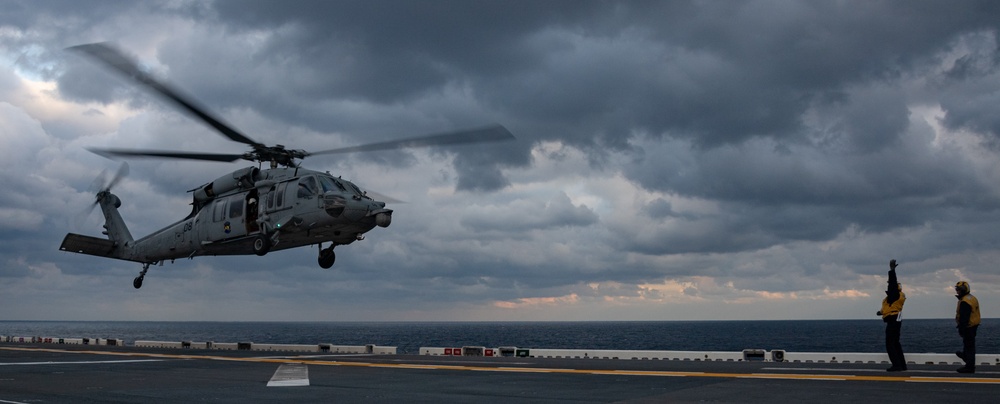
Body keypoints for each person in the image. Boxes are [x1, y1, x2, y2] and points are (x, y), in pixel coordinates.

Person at [876, 259, 906, 371]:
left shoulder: (894, 293)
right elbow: (891, 307)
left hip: (893, 320)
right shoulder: (895, 297)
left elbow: (893, 283)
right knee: (895, 343)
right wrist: (881, 312)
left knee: (890, 343)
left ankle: (897, 365)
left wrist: (892, 271)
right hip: (896, 319)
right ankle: (902, 365)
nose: (888, 286)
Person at [954, 280, 980, 373]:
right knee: (968, 345)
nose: (957, 291)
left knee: (969, 346)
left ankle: (969, 366)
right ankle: (966, 357)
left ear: (963, 290)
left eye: (958, 289)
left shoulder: (965, 301)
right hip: (974, 325)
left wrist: (961, 328)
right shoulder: (971, 298)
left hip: (968, 326)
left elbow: (964, 317)